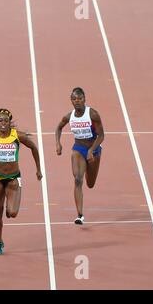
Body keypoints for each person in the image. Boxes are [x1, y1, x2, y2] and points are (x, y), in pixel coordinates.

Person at [0, 108, 42, 255]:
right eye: (0, 121)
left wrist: (38, 169)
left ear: (10, 123)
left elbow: (34, 147)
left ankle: (9, 209)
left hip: (13, 178)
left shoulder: (17, 136)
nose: (3, 123)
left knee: (13, 213)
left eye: (6, 121)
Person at [55, 87, 104, 225]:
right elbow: (58, 127)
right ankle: (80, 215)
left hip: (93, 150)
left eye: (80, 99)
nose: (77, 101)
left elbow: (101, 135)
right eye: (74, 99)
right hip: (78, 149)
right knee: (77, 180)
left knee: (90, 184)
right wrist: (58, 144)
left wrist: (92, 150)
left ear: (84, 99)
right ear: (71, 101)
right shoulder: (69, 117)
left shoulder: (92, 114)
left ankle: (89, 168)